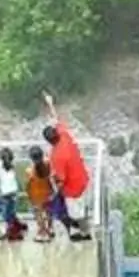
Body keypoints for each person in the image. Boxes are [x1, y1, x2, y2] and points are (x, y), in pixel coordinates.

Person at [43, 95, 93, 241]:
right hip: (82, 177)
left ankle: (85, 233)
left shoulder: (57, 156)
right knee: (80, 206)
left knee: (76, 212)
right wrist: (50, 103)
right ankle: (82, 225)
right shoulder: (64, 135)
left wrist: (53, 193)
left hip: (73, 188)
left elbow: (61, 179)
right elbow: (56, 119)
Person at [21, 147, 56, 243]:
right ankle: (50, 228)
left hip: (36, 196)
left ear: (31, 158)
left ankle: (43, 232)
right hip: (48, 193)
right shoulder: (48, 165)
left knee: (38, 214)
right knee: (49, 211)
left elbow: (28, 185)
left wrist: (29, 196)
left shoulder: (29, 171)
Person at [0, 150, 25, 240]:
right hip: (13, 191)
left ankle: (11, 231)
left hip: (4, 192)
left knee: (7, 213)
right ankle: (15, 224)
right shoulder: (11, 165)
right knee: (11, 209)